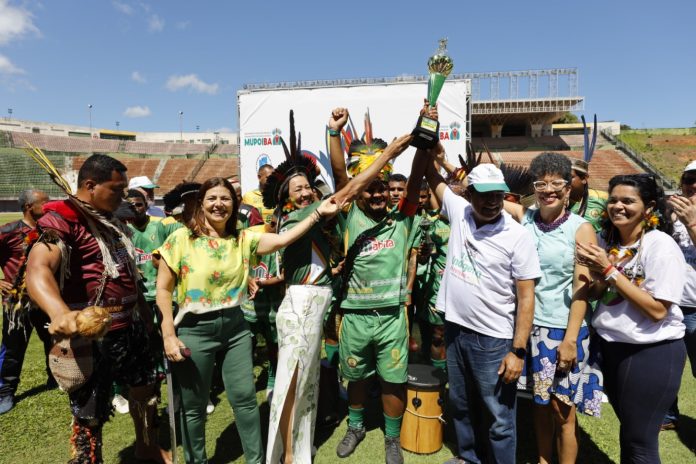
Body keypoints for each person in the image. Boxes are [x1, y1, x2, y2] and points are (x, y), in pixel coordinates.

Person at [155, 177, 342, 464]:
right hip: (194, 329)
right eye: (212, 198)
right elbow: (163, 290)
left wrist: (317, 213)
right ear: (202, 203)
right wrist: (168, 334)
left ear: (235, 204)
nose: (219, 204)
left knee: (244, 400)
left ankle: (256, 461)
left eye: (226, 199)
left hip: (235, 329)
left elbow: (283, 239)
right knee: (192, 407)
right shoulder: (181, 239)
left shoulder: (243, 239)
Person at [262, 109, 413, 464]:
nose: (305, 193)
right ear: (286, 197)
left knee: (308, 383)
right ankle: (284, 454)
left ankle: (299, 448)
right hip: (301, 309)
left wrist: (336, 267)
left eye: (307, 188)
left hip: (319, 305)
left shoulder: (316, 217)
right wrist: (381, 151)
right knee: (291, 383)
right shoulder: (302, 214)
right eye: (296, 190)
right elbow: (349, 182)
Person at [25, 154, 170, 464]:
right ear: (90, 185)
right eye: (116, 190)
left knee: (145, 393)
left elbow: (127, 271)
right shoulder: (62, 219)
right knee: (90, 413)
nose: (123, 197)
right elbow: (38, 269)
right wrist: (60, 313)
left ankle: (147, 449)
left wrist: (144, 315)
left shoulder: (109, 217)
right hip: (91, 337)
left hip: (130, 327)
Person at [415, 144, 541, 464]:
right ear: (469, 193)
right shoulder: (459, 211)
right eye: (484, 194)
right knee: (461, 403)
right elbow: (430, 174)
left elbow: (527, 297)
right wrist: (428, 142)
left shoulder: (517, 235)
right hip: (457, 330)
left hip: (494, 340)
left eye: (497, 194)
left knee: (500, 417)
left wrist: (517, 351)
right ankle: (469, 457)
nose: (491, 201)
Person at [328, 107, 418, 464]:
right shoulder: (349, 212)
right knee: (357, 376)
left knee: (394, 379)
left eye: (384, 188)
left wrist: (423, 135)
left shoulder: (404, 216)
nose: (378, 194)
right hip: (355, 315)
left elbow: (420, 171)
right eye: (371, 188)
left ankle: (392, 439)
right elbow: (340, 175)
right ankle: (355, 425)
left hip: (392, 316)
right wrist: (333, 133)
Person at [576, 173, 686, 463]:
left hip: (651, 352)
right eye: (613, 200)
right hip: (612, 348)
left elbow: (658, 310)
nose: (618, 206)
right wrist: (599, 274)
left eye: (628, 201)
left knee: (640, 441)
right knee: (630, 433)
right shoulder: (607, 240)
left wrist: (610, 272)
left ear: (649, 208)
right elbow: (600, 294)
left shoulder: (661, 245)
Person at [504, 153, 603, 464]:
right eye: (541, 183)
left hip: (563, 330)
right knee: (539, 404)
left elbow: (582, 288)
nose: (548, 190)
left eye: (556, 183)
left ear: (568, 189)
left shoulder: (581, 228)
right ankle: (543, 459)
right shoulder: (527, 218)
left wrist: (570, 339)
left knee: (563, 411)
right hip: (530, 328)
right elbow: (485, 196)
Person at [0, 189, 52, 415]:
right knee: (13, 348)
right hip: (18, 302)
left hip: (46, 298)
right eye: (44, 202)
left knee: (53, 339)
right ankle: (5, 392)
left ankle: (55, 378)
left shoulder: (50, 231)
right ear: (29, 206)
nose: (48, 205)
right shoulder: (9, 231)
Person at [661, 161, 696, 430]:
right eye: (688, 179)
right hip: (669, 302)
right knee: (668, 368)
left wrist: (692, 223)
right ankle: (669, 415)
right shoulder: (671, 213)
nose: (693, 185)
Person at [568, 159, 607, 232]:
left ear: (584, 178)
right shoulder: (555, 201)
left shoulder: (602, 198)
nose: (565, 181)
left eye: (570, 177)